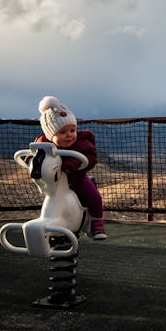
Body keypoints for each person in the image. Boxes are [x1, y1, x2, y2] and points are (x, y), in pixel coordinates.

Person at [35, 96, 107, 240]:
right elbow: (35, 155)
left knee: (94, 197)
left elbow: (91, 158)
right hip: (56, 185)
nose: (69, 135)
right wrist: (31, 161)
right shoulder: (44, 144)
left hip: (77, 180)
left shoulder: (81, 143)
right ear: (50, 136)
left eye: (72, 130)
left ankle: (97, 222)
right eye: (62, 132)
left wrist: (74, 163)